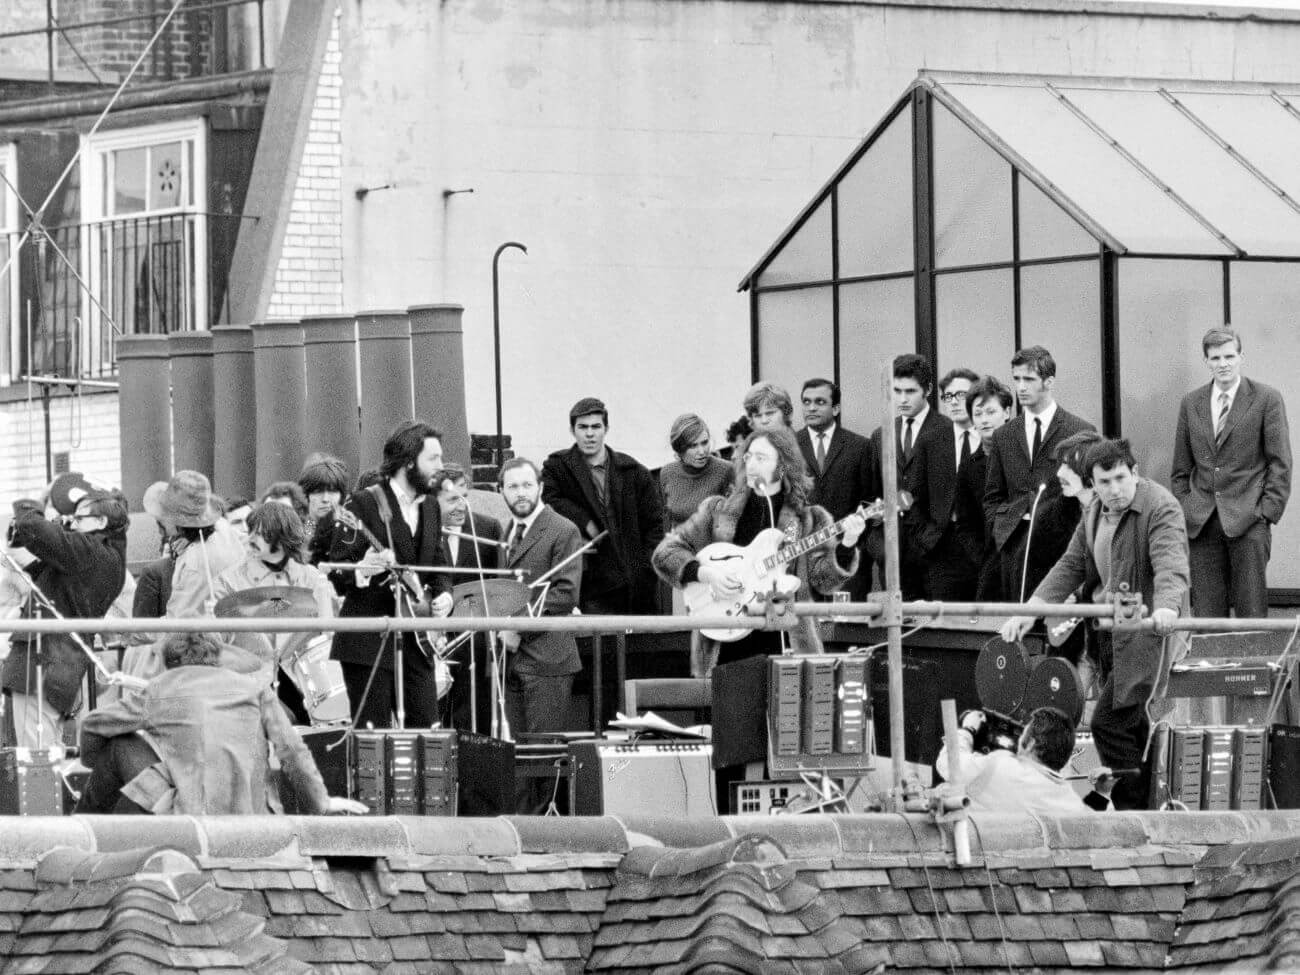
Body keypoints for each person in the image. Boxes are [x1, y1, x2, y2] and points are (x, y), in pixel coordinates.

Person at [1000, 439, 1190, 810]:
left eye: (1121, 478)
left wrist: (1167, 608)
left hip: (1146, 637)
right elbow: (1070, 566)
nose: (1114, 490)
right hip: (1108, 633)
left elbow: (1170, 563)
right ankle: (1143, 810)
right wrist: (1029, 611)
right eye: (1104, 482)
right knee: (1132, 729)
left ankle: (1134, 817)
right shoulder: (1093, 513)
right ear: (1093, 484)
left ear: (1134, 472)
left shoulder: (1160, 506)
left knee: (1109, 724)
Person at [77, 632, 365, 815]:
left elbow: (92, 724)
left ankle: (82, 833)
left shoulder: (162, 687)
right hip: (254, 815)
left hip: (194, 816)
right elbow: (292, 750)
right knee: (160, 772)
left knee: (120, 747)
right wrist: (321, 802)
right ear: (217, 659)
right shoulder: (255, 688)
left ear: (170, 663)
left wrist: (91, 761)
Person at [653, 426, 865, 676]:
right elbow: (665, 553)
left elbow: (824, 581)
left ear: (783, 465)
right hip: (726, 640)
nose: (752, 464)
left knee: (787, 708)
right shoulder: (717, 511)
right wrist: (705, 574)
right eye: (748, 456)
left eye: (761, 458)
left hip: (785, 637)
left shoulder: (809, 519)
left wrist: (848, 543)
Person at [327, 420, 453, 729]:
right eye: (433, 459)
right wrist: (363, 570)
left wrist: (445, 593)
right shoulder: (363, 502)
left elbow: (439, 562)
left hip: (416, 641)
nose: (441, 466)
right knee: (375, 738)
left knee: (427, 732)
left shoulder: (432, 507)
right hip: (368, 642)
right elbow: (337, 569)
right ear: (408, 462)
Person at [1171, 326, 1292, 619]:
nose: (1222, 364)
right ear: (1206, 362)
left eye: (1229, 356)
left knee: (1252, 614)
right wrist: (1187, 507)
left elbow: (1280, 462)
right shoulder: (1191, 403)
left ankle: (1254, 665)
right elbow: (1180, 468)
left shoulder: (1266, 399)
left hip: (1249, 520)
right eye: (1215, 358)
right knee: (1208, 616)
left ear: (1241, 356)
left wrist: (1266, 512)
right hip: (1202, 524)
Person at [1, 488, 128, 749]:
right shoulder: (106, 558)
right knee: (46, 750)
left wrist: (40, 500)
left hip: (43, 661)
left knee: (37, 757)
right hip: (60, 663)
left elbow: (32, 525)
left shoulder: (90, 550)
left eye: (80, 518)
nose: (73, 523)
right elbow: (33, 560)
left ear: (101, 522)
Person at [983, 345, 1095, 602]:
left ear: (1049, 381)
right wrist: (1003, 530)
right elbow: (992, 496)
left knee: (1059, 631)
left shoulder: (1078, 430)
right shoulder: (1004, 435)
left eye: (1029, 379)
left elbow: (1087, 492)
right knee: (1019, 628)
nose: (1021, 387)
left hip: (1060, 548)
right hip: (1014, 548)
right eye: (1017, 379)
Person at [212, 502, 337, 723]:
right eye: (252, 532)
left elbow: (328, 635)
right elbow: (216, 642)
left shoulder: (311, 577)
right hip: (250, 682)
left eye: (262, 534)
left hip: (303, 679)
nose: (252, 540)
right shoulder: (228, 580)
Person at [541, 397, 664, 615]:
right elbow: (550, 500)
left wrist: (646, 570)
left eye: (596, 427)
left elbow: (654, 527)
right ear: (572, 430)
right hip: (591, 586)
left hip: (635, 585)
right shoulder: (557, 468)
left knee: (642, 646)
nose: (590, 434)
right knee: (600, 647)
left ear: (606, 428)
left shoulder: (634, 472)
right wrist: (584, 521)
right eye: (583, 427)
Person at [498, 458, 584, 734]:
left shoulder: (563, 529)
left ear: (541, 488)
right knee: (513, 758)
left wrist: (517, 628)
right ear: (501, 491)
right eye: (512, 486)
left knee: (542, 755)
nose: (521, 492)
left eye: (527, 485)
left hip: (548, 659)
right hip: (508, 661)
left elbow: (565, 593)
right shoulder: (504, 532)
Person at [866, 354, 951, 598]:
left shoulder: (947, 431)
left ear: (928, 390)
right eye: (897, 390)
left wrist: (930, 541)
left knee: (931, 630)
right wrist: (878, 545)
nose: (902, 399)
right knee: (894, 628)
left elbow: (949, 496)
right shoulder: (880, 435)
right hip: (891, 553)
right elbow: (872, 494)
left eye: (910, 391)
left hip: (935, 555)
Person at [936, 707, 1114, 815]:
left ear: (1030, 744)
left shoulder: (1000, 766)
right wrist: (1102, 794)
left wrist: (968, 729)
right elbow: (1091, 821)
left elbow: (948, 763)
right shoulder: (1067, 799)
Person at [433, 463, 502, 732]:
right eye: (452, 500)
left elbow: (498, 585)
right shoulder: (419, 531)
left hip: (474, 643)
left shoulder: (488, 529)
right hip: (433, 641)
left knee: (473, 721)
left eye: (465, 497)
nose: (461, 506)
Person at [905, 367, 982, 600]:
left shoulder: (996, 438)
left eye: (962, 395)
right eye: (949, 396)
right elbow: (914, 498)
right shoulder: (932, 440)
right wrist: (925, 539)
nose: (954, 402)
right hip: (942, 548)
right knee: (945, 627)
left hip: (985, 547)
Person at [795, 378, 874, 600]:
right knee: (807, 627)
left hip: (845, 552)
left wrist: (854, 542)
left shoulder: (860, 447)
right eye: (806, 402)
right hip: (799, 557)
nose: (811, 407)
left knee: (845, 628)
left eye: (820, 402)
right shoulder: (787, 447)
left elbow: (870, 499)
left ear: (836, 408)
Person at [953, 376, 1014, 600]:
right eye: (977, 414)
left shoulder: (1025, 456)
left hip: (1027, 563)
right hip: (989, 569)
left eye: (990, 412)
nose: (984, 420)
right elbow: (965, 523)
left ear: (1007, 412)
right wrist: (982, 557)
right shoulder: (968, 466)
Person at [660, 414, 733, 532]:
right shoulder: (667, 473)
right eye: (693, 446)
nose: (702, 451)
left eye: (704, 442)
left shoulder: (725, 470)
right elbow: (666, 519)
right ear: (680, 448)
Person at [299, 453, 350, 566]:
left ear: (341, 496)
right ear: (306, 495)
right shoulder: (298, 530)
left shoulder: (349, 532)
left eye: (332, 492)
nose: (325, 499)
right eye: (318, 492)